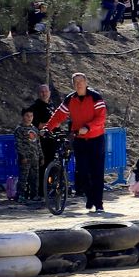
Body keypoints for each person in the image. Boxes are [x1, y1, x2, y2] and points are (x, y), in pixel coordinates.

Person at [44, 71, 108, 216]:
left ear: (86, 82)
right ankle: (90, 196)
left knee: (97, 172)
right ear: (73, 84)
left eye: (81, 81)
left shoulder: (95, 98)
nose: (78, 84)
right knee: (82, 172)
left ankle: (98, 203)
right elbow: (59, 115)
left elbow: (101, 118)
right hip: (79, 139)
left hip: (96, 139)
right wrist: (48, 127)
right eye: (75, 82)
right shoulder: (70, 99)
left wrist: (88, 127)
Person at [14, 109, 42, 203]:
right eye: (27, 116)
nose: (29, 118)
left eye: (31, 116)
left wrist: (41, 156)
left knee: (35, 177)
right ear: (23, 116)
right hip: (25, 158)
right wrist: (22, 156)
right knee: (23, 177)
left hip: (35, 157)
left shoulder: (34, 129)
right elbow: (18, 144)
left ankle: (34, 195)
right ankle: (20, 195)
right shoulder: (19, 129)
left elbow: (38, 143)